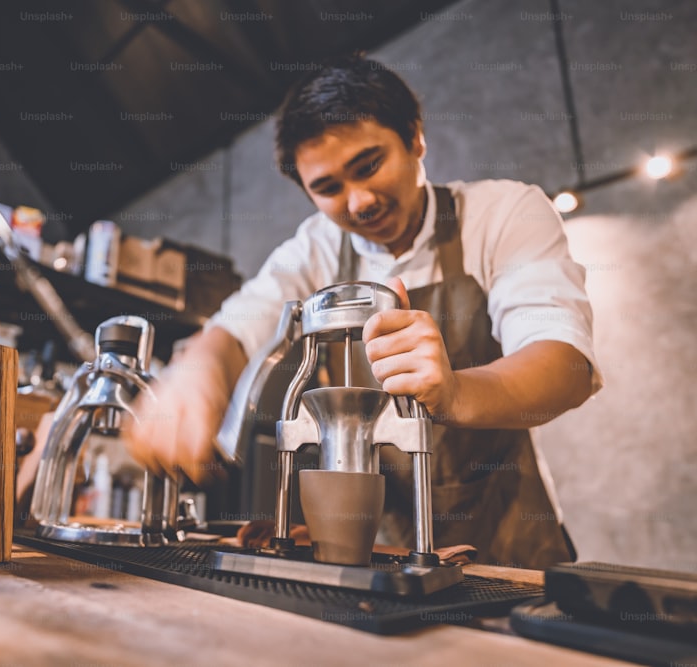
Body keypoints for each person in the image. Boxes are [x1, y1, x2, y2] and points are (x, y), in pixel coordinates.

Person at [122, 52, 602, 569]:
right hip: (380, 553)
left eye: (368, 165)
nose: (358, 202)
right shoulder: (316, 250)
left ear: (415, 138)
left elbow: (564, 364)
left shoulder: (503, 213)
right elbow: (238, 326)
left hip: (510, 547)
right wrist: (199, 372)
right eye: (328, 188)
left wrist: (456, 390)